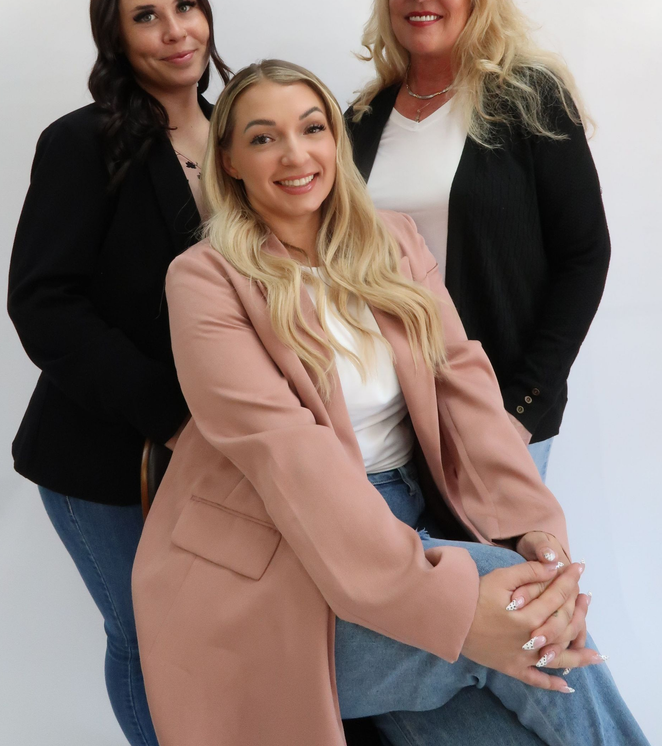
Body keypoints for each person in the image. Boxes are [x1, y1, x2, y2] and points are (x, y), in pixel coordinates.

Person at [131, 60, 648, 746]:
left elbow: (463, 387)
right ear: (228, 161)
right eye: (263, 138)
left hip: (404, 527)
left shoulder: (393, 242)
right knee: (508, 597)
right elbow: (289, 456)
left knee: (508, 699)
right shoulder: (203, 279)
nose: (295, 154)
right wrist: (455, 605)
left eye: (312, 128)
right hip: (271, 579)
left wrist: (535, 529)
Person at [7, 0, 231, 746]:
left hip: (227, 450)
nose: (175, 31)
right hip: (107, 455)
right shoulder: (83, 142)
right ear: (115, 34)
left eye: (186, 6)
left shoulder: (245, 135)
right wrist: (170, 417)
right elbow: (43, 303)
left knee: (216, 635)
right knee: (148, 636)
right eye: (146, 15)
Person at [346, 0, 611, 481]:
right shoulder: (361, 120)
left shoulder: (529, 100)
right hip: (387, 421)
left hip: (495, 414)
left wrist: (524, 405)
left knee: (508, 569)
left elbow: (584, 257)